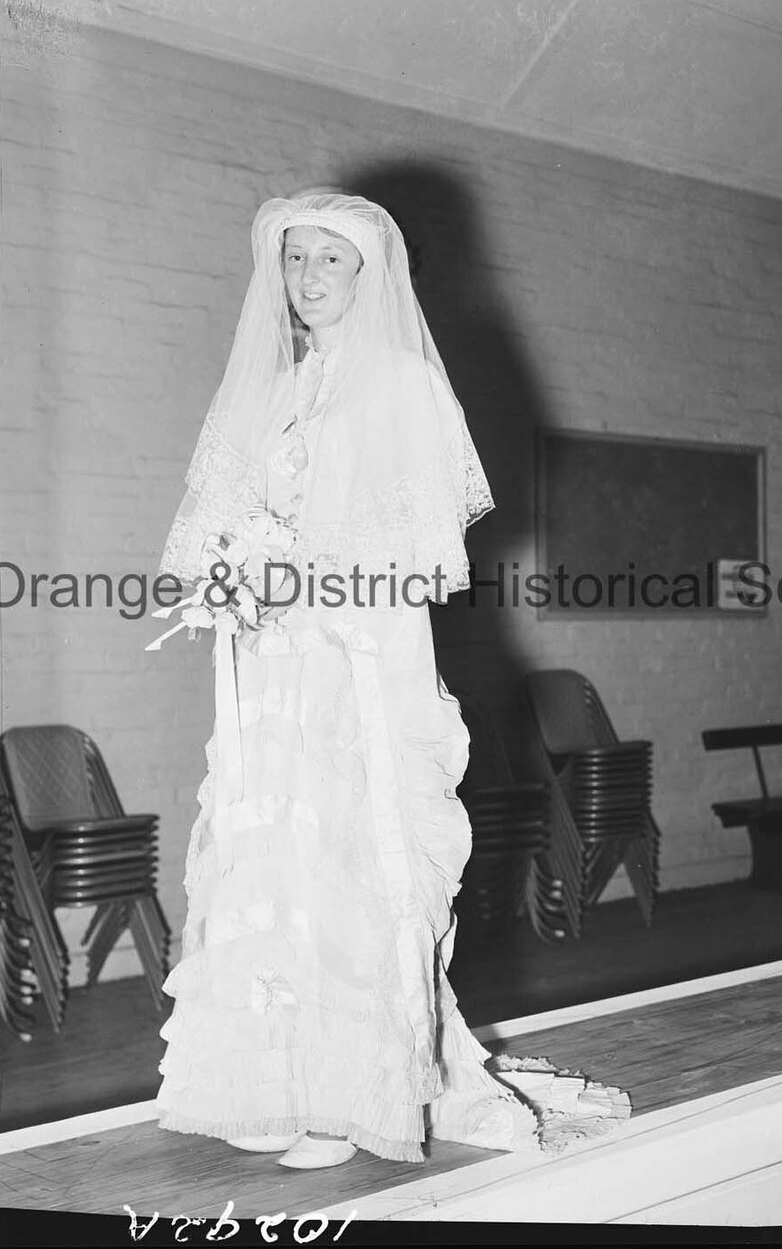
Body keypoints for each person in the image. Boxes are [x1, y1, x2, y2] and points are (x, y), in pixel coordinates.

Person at [153, 191, 542, 1169]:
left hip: (358, 654)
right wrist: (232, 580)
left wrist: (310, 579)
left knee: (347, 853)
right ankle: (276, 1082)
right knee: (273, 856)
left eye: (331, 260)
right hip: (275, 662)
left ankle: (349, 1095)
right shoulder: (276, 392)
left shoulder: (402, 383)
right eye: (297, 260)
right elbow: (217, 519)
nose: (310, 278)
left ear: (369, 276)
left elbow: (416, 545)